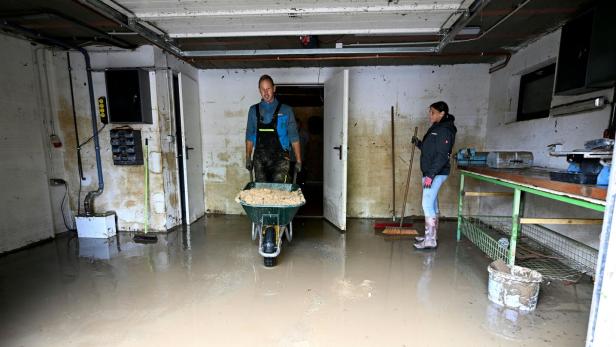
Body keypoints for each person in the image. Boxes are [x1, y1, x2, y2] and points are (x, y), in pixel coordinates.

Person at [411, 101, 457, 249]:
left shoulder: (445, 130)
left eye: (432, 112)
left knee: (426, 204)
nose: (430, 114)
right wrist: (418, 143)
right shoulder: (436, 127)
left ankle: (430, 240)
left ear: (442, 113)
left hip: (436, 173)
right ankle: (431, 236)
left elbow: (442, 155)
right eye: (429, 111)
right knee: (433, 204)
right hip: (432, 172)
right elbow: (430, 149)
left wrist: (430, 175)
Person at [245, 75, 302, 183]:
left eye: (268, 89)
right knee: (261, 193)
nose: (266, 93)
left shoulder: (286, 110)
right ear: (259, 90)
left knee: (280, 193)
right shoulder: (253, 110)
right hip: (260, 160)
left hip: (281, 160)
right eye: (263, 89)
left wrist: (299, 160)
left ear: (274, 88)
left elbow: (294, 136)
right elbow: (250, 135)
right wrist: (248, 156)